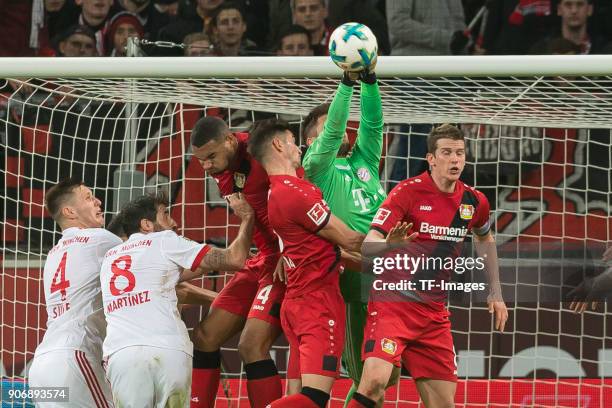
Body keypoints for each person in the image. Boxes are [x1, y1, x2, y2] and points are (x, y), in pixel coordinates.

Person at [346, 124, 508, 408]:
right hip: (392, 306)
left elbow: (485, 238)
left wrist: (495, 291)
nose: (455, 159)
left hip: (433, 315)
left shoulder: (474, 201)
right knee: (373, 384)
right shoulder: (407, 193)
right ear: (431, 159)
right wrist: (389, 245)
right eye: (446, 152)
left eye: (460, 153)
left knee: (444, 404)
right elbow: (369, 245)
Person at [247, 118, 365, 407]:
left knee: (298, 394)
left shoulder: (279, 191)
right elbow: (350, 240)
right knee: (313, 399)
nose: (297, 146)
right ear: (278, 144)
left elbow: (330, 251)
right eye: (290, 139)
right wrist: (398, 245)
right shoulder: (296, 192)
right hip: (317, 304)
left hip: (298, 302)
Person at [100, 191, 254, 408]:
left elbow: (181, 274)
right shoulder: (163, 240)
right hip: (167, 350)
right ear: (147, 225)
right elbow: (235, 259)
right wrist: (247, 218)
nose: (173, 222)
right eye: (165, 214)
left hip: (122, 355)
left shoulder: (110, 257)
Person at [300, 64, 392, 405]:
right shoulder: (316, 166)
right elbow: (335, 124)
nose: (342, 130)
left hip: (392, 274)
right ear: (312, 141)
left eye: (341, 127)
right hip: (354, 279)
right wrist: (345, 85)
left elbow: (372, 124)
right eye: (329, 129)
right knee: (366, 377)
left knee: (387, 374)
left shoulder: (363, 160)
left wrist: (369, 84)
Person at [188, 116, 286, 407]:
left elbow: (295, 197)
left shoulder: (262, 152)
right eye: (200, 160)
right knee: (205, 336)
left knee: (251, 345)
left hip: (287, 260)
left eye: (210, 157)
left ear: (230, 140)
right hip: (262, 260)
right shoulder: (222, 166)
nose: (205, 165)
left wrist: (289, 250)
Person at [28, 178, 122, 408]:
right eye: (89, 197)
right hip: (76, 355)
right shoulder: (100, 239)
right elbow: (141, 260)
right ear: (69, 211)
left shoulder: (52, 254)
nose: (98, 201)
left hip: (41, 366)